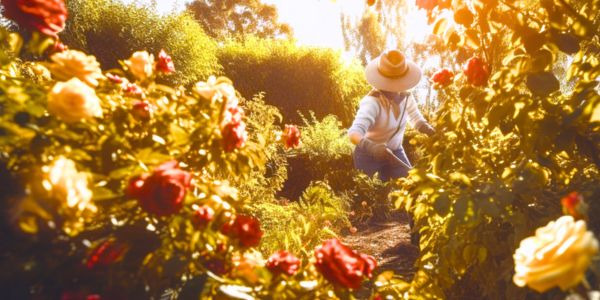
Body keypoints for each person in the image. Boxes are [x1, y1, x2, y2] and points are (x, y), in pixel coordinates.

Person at [348, 49, 435, 182]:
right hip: (368, 156)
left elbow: (416, 119)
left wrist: (431, 132)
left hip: (395, 152)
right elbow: (354, 133)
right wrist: (372, 147)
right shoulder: (372, 102)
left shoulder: (406, 98)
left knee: (410, 185)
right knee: (375, 197)